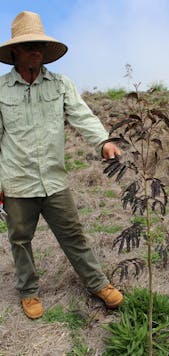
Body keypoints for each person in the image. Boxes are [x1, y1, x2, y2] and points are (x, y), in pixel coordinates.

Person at [0, 11, 123, 319]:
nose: (36, 51)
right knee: (20, 240)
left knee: (74, 235)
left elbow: (82, 115)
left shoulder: (60, 84)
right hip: (16, 181)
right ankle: (28, 292)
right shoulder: (1, 90)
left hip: (54, 181)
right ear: (15, 50)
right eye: (29, 46)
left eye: (40, 45)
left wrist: (103, 141)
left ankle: (97, 284)